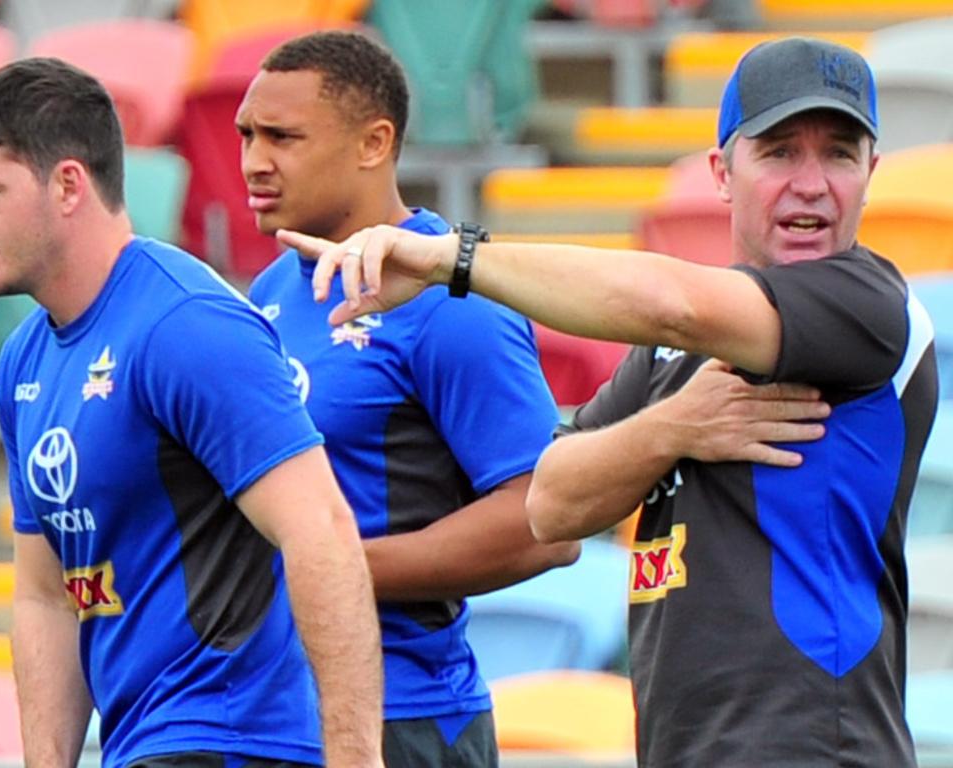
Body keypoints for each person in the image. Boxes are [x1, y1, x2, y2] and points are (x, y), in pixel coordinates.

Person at [281, 36, 938, 767]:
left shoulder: (870, 305)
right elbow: (552, 506)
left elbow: (672, 303)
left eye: (840, 154)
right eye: (780, 152)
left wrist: (452, 259)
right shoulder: (668, 358)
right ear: (723, 173)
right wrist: (673, 429)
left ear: (871, 174)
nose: (812, 183)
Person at [0, 58, 384, 768]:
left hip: (235, 742)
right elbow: (47, 596)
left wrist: (356, 759)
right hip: (140, 746)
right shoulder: (25, 358)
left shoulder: (187, 325)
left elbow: (322, 531)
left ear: (68, 186)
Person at [235, 30, 581, 767]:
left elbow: (546, 525)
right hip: (279, 711)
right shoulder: (264, 295)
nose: (253, 161)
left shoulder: (455, 300)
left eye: (282, 137)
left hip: (408, 717)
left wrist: (333, 568)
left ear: (374, 143)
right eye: (246, 135)